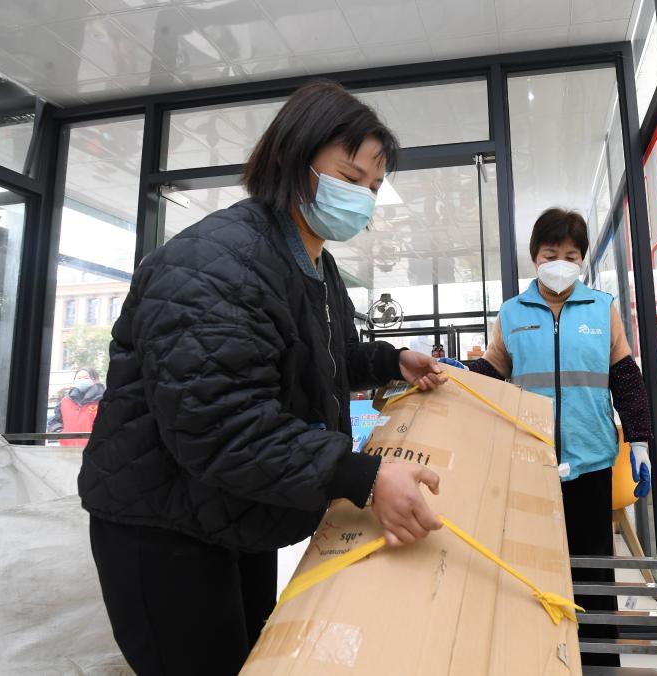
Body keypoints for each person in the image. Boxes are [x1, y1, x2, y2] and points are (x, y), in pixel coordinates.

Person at [78, 82, 447, 676]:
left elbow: (315, 358)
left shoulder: (312, 263)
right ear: (291, 159)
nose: (362, 198)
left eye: (374, 188)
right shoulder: (218, 262)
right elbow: (219, 423)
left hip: (235, 507)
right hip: (164, 524)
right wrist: (363, 476)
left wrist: (388, 361)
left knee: (255, 657)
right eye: (349, 178)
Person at [469, 208, 653, 666]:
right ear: (535, 256)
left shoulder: (602, 308)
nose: (560, 263)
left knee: (593, 571)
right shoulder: (512, 312)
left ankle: (600, 663)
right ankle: (540, 661)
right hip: (530, 464)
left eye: (571, 256)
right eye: (551, 254)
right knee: (534, 570)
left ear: (582, 259)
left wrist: (640, 441)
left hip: (591, 461)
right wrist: (458, 376)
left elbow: (625, 377)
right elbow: (493, 369)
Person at [47, 367, 106, 447]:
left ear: (95, 380)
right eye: (78, 378)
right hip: (67, 449)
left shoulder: (104, 401)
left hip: (95, 449)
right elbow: (54, 421)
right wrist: (59, 431)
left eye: (86, 378)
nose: (82, 380)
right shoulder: (65, 401)